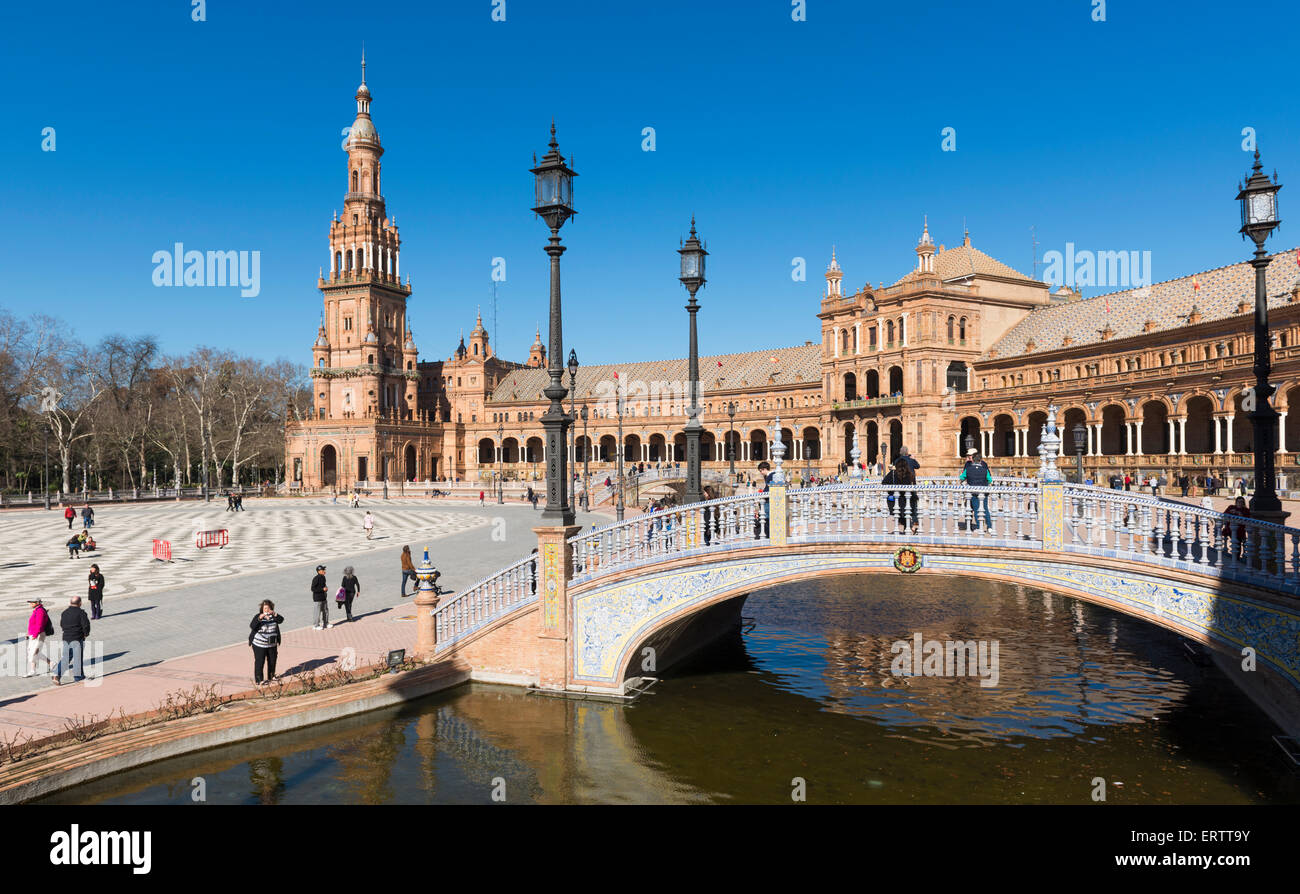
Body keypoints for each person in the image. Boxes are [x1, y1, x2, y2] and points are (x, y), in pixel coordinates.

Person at [52, 595, 91, 685]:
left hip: (66, 638)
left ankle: (56, 675)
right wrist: (86, 634)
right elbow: (86, 625)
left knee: (66, 658)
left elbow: (62, 624)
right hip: (77, 638)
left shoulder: (64, 612)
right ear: (80, 603)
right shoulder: (81, 613)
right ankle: (79, 677)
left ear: (70, 602)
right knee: (77, 658)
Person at [248, 599, 283, 685]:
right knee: (260, 661)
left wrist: (274, 614)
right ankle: (259, 680)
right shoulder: (258, 617)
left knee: (272, 660)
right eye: (264, 608)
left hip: (272, 644)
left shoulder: (274, 617)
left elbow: (281, 620)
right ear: (262, 609)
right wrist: (260, 618)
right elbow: (252, 625)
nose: (266, 610)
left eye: (268, 608)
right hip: (259, 644)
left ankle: (271, 676)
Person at [961, 448, 993, 533]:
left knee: (980, 508)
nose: (968, 457)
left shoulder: (982, 464)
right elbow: (989, 478)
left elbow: (962, 476)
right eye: (968, 456)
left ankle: (982, 526)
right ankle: (972, 525)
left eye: (970, 456)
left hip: (974, 491)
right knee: (973, 508)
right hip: (982, 490)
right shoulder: (968, 464)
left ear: (974, 456)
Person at [25, 598, 53, 678]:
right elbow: (33, 624)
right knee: (33, 651)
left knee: (33, 652)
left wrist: (35, 635)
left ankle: (32, 670)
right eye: (30, 602)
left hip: (39, 635)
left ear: (37, 602)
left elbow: (39, 625)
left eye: (32, 602)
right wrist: (29, 633)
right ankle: (51, 663)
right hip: (34, 634)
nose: (30, 604)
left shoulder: (40, 611)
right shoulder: (37, 610)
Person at [311, 564, 331, 629]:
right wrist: (322, 589)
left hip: (323, 597)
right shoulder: (316, 578)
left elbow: (323, 585)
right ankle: (316, 625)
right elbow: (313, 589)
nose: (324, 571)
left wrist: (326, 588)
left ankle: (326, 623)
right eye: (323, 570)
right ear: (319, 571)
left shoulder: (323, 577)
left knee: (325, 611)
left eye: (324, 570)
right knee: (317, 612)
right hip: (317, 598)